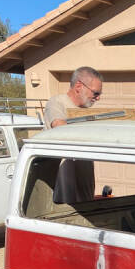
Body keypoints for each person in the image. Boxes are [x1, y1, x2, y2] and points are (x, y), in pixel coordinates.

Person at [44, 67, 103, 203]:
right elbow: (59, 126)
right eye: (95, 93)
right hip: (63, 195)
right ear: (78, 86)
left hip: (84, 195)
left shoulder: (87, 111)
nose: (98, 98)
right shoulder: (57, 103)